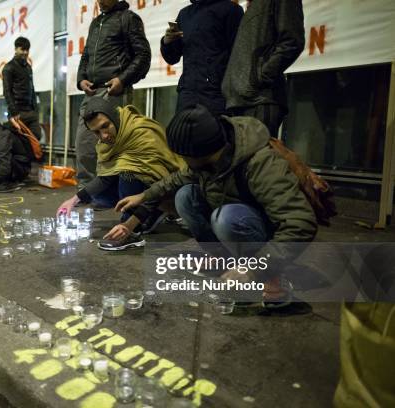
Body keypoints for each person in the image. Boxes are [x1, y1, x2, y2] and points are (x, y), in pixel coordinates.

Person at [113, 105, 317, 301]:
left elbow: (300, 223)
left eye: (183, 155)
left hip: (263, 232)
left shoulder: (261, 163)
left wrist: (254, 268)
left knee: (225, 218)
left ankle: (272, 276)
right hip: (234, 214)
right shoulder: (209, 157)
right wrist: (144, 196)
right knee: (185, 196)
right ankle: (225, 260)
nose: (181, 159)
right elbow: (177, 178)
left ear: (200, 153)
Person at [57, 97, 186, 251]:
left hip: (165, 191)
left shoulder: (141, 133)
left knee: (127, 172)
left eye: (105, 126)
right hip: (143, 191)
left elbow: (160, 182)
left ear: (115, 118)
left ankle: (134, 230)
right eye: (96, 132)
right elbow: (105, 178)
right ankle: (146, 214)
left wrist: (128, 225)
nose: (103, 136)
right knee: (99, 194)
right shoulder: (109, 141)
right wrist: (73, 200)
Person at [75, 0, 151, 188]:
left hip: (113, 92)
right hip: (92, 92)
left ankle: (115, 191)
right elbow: (86, 56)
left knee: (114, 145)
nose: (100, 1)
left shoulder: (128, 19)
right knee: (84, 143)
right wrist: (81, 79)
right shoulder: (96, 23)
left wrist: (122, 80)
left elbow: (143, 56)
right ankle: (88, 190)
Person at [222, 0, 305, 136]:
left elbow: (292, 41)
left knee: (258, 156)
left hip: (259, 100)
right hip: (240, 100)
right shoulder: (253, 5)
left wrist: (260, 77)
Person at [161, 0, 243, 115]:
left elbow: (239, 56)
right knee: (182, 132)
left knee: (216, 132)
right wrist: (167, 41)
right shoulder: (184, 14)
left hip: (217, 96)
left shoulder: (231, 10)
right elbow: (172, 58)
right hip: (187, 94)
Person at [2, 37, 42, 140]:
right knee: (19, 140)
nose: (25, 52)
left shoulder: (28, 67)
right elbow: (7, 91)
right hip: (18, 112)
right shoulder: (8, 68)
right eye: (22, 49)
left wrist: (35, 109)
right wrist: (14, 112)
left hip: (30, 111)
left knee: (36, 137)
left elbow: (32, 89)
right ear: (16, 49)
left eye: (27, 50)